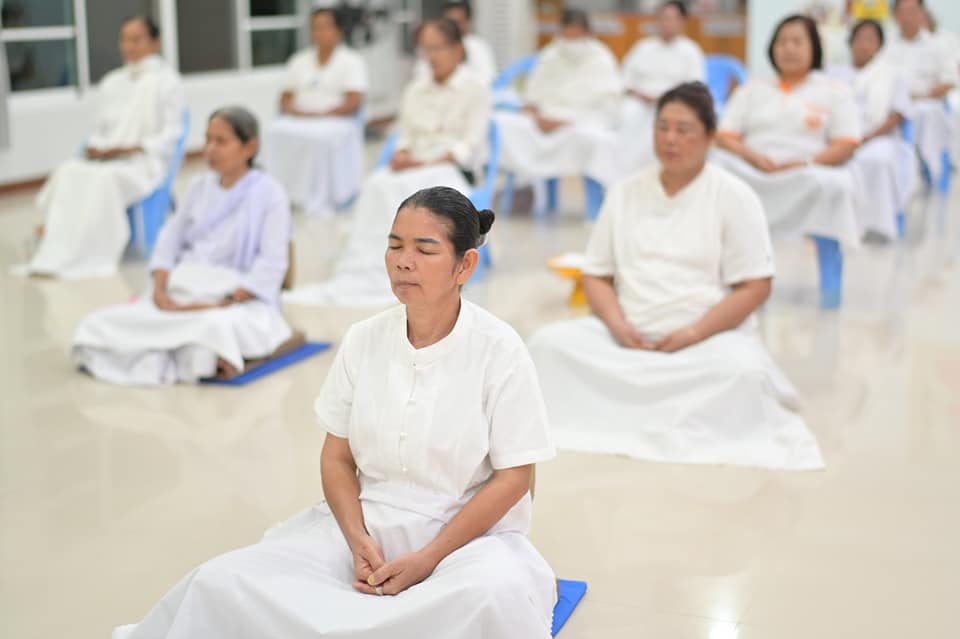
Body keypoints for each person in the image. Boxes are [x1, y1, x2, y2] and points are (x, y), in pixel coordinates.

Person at [112, 187, 558, 638]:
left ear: (465, 265)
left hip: (466, 543)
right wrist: (357, 539)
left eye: (425, 249)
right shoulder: (364, 339)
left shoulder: (500, 350)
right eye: (394, 245)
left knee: (488, 598)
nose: (404, 261)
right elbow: (337, 457)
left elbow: (513, 479)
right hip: (363, 525)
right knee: (221, 582)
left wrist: (430, 558)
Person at [528, 82, 822, 470]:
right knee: (545, 345)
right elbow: (596, 275)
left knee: (743, 372)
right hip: (624, 340)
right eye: (662, 127)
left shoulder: (734, 195)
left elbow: (754, 286)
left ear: (710, 138)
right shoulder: (625, 192)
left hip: (706, 342)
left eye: (683, 130)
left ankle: (635, 417)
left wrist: (692, 334)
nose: (670, 139)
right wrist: (617, 326)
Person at [72, 107, 293, 385]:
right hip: (182, 290)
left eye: (221, 141)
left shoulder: (270, 193)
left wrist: (222, 302)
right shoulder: (198, 186)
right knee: (96, 325)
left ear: (250, 147)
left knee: (214, 329)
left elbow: (272, 264)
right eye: (207, 139)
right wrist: (161, 291)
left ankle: (183, 347)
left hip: (235, 300)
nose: (210, 149)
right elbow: (168, 242)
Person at [284, 18, 490, 307]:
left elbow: (469, 145)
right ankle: (372, 270)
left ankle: (417, 267)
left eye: (437, 48)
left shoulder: (476, 89)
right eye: (425, 49)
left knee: (413, 190)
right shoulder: (416, 89)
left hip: (452, 169)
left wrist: (423, 162)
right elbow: (404, 136)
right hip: (415, 164)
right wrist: (403, 153)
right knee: (376, 184)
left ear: (456, 50)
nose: (431, 56)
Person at [24, 16, 184, 278]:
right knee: (70, 171)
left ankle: (90, 250)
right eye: (124, 39)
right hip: (108, 158)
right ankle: (61, 241)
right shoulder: (112, 82)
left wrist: (134, 148)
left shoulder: (168, 83)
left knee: (104, 180)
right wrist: (98, 148)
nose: (128, 46)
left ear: (154, 43)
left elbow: (172, 134)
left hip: (141, 161)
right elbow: (99, 130)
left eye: (136, 39)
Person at [713, 14, 862, 250]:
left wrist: (802, 163)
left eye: (797, 42)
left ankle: (829, 273)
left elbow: (846, 144)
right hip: (752, 171)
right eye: (782, 42)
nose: (788, 49)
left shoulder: (835, 92)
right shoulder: (751, 89)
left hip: (806, 173)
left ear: (815, 47)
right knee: (714, 168)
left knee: (834, 185)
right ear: (772, 48)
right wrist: (754, 159)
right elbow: (723, 136)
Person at [493, 9, 625, 191]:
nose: (571, 44)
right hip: (542, 122)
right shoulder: (551, 54)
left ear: (588, 34)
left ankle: (595, 205)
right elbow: (533, 96)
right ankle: (522, 191)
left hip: (581, 124)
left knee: (599, 141)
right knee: (502, 123)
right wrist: (536, 114)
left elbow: (609, 110)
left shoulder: (602, 59)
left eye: (576, 38)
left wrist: (567, 122)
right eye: (567, 37)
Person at [260, 7, 369, 217]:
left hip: (336, 121)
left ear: (339, 31)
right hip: (299, 118)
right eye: (315, 28)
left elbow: (354, 101)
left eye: (325, 27)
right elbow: (284, 98)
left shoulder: (352, 62)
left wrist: (322, 115)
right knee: (271, 131)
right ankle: (279, 193)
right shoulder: (298, 60)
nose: (319, 33)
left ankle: (322, 196)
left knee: (320, 138)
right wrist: (296, 112)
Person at [829, 19, 916, 239]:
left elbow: (897, 114)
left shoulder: (891, 74)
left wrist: (865, 139)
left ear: (880, 45)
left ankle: (876, 226)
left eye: (871, 40)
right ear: (850, 42)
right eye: (859, 38)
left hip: (877, 138)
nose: (864, 45)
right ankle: (837, 224)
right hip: (837, 138)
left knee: (876, 160)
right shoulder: (834, 73)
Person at [619, 1, 705, 170]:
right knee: (627, 115)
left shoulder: (691, 51)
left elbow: (696, 86)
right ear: (656, 21)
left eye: (673, 19)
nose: (668, 23)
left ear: (682, 22)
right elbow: (625, 80)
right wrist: (640, 95)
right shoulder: (642, 47)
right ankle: (627, 173)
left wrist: (664, 99)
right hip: (640, 103)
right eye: (664, 18)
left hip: (676, 104)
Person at [886, 0, 958, 183]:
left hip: (925, 105)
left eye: (913, 11)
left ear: (922, 13)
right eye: (903, 11)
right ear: (895, 16)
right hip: (890, 106)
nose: (908, 17)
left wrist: (920, 95)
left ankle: (928, 169)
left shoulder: (937, 46)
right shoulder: (887, 46)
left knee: (922, 113)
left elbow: (950, 81)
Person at [415, 1, 496, 84]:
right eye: (449, 22)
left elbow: (487, 79)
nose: (453, 26)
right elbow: (421, 76)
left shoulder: (478, 46)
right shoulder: (430, 45)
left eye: (458, 22)